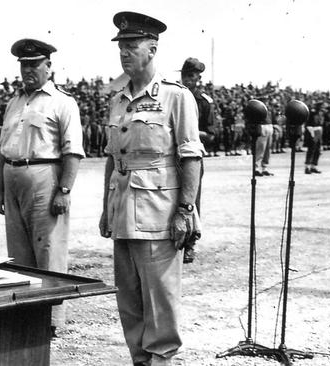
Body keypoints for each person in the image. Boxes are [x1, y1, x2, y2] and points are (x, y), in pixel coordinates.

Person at [99, 11, 204, 366]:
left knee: (160, 307)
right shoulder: (117, 99)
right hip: (124, 212)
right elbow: (114, 159)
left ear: (152, 49)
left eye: (132, 45)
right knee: (130, 305)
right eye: (121, 46)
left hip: (159, 214)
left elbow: (191, 157)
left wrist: (185, 211)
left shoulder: (176, 97)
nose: (124, 53)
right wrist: (105, 209)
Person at [0, 38, 84, 335]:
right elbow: (2, 147)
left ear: (49, 66)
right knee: (19, 253)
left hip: (45, 174)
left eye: (35, 64)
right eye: (24, 65)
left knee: (49, 250)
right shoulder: (14, 101)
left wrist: (65, 190)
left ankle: (52, 321)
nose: (29, 70)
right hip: (13, 175)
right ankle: (27, 315)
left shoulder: (62, 101)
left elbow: (73, 151)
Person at [180, 57, 212, 263]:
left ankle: (190, 243)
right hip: (170, 156)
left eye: (196, 78)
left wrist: (188, 132)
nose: (193, 81)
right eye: (189, 77)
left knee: (191, 200)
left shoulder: (203, 102)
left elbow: (211, 133)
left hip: (191, 156)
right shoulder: (171, 96)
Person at [252, 99, 274, 176]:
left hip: (269, 126)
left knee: (268, 149)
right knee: (260, 148)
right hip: (263, 126)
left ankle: (265, 167)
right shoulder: (259, 109)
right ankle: (256, 168)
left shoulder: (269, 109)